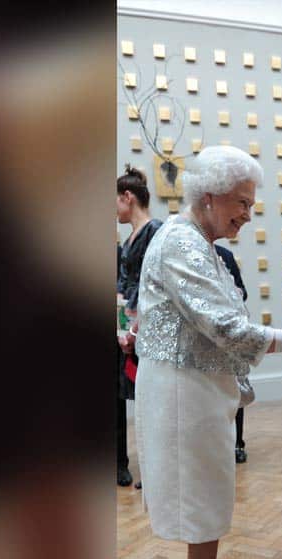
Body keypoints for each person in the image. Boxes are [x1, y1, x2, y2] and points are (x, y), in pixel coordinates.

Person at [135, 146, 282, 559]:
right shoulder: (182, 244)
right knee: (201, 487)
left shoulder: (198, 241)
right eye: (242, 203)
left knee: (207, 483)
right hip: (184, 387)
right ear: (209, 197)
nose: (249, 214)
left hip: (199, 382)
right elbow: (229, 327)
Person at [117, 165, 163, 488]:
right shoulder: (129, 238)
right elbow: (123, 287)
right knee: (138, 399)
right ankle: (148, 467)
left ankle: (156, 469)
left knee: (152, 403)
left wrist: (135, 331)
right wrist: (123, 330)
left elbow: (153, 289)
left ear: (128, 197)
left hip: (147, 333)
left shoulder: (155, 232)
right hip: (129, 333)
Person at [213, 242, 251, 463]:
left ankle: (238, 443)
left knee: (236, 390)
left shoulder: (225, 254)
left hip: (229, 334)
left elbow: (242, 292)